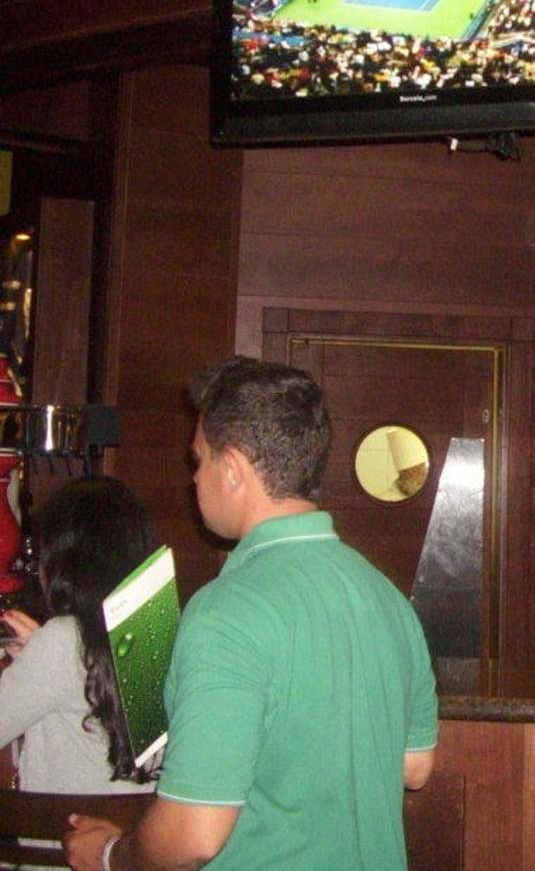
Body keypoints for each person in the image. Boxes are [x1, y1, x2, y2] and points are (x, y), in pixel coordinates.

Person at [65, 357, 439, 871]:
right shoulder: (386, 598)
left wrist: (111, 855)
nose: (194, 479)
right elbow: (414, 766)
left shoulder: (226, 611)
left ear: (233, 469)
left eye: (199, 461)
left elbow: (195, 834)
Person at [0, 476, 159, 797]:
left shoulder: (64, 641)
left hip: (66, 826)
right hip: (136, 822)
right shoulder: (150, 625)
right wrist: (40, 652)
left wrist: (45, 651)